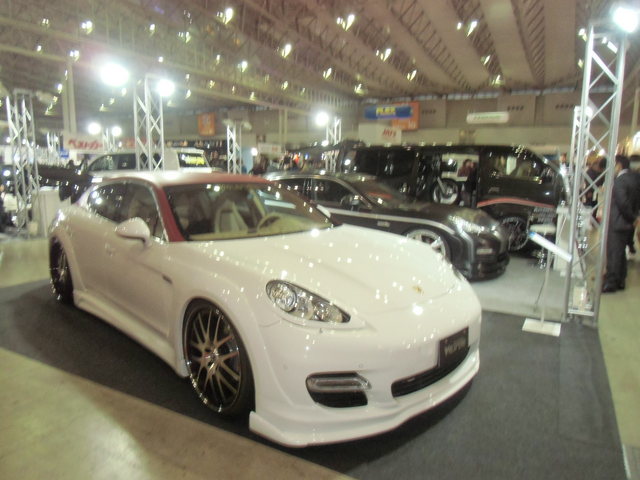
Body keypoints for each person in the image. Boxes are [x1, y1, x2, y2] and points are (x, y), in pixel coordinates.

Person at [602, 155, 640, 293]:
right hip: (627, 223)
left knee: (614, 252)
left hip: (618, 221)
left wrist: (632, 218)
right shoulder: (635, 178)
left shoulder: (620, 181)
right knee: (621, 252)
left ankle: (611, 282)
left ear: (618, 165)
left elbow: (622, 203)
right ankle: (620, 280)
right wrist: (634, 218)